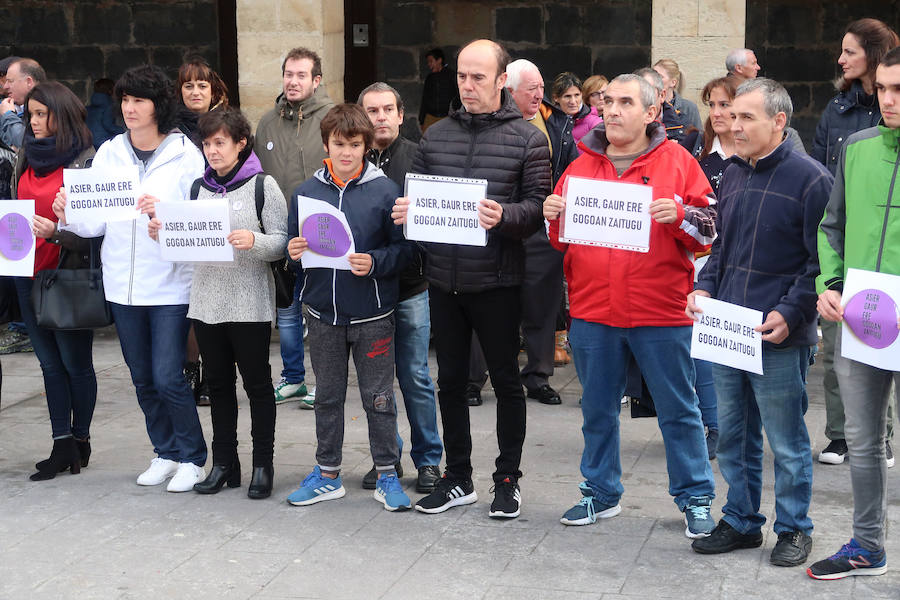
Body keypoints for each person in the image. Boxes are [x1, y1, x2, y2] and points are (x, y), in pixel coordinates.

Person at [543, 74, 717, 537]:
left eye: (624, 102)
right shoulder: (580, 166)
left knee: (679, 409)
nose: (612, 111)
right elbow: (562, 240)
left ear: (651, 112)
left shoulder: (678, 162)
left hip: (660, 311)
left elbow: (711, 228)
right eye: (607, 103)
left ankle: (695, 497)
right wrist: (552, 216)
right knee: (597, 409)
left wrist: (681, 216)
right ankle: (600, 492)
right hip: (593, 311)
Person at [393, 39, 551, 519]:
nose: (467, 85)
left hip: (498, 282)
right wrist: (407, 212)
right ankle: (457, 476)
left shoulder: (528, 138)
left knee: (505, 383)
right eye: (462, 76)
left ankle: (507, 479)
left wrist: (504, 215)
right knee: (451, 382)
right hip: (443, 281)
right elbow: (416, 200)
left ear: (502, 80)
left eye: (478, 77)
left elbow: (538, 210)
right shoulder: (436, 135)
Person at [688, 78, 832, 567]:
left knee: (787, 442)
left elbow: (821, 265)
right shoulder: (731, 174)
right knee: (733, 435)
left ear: (779, 122)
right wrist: (705, 288)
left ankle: (794, 528)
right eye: (731, 114)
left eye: (747, 116)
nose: (733, 124)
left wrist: (790, 313)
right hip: (728, 327)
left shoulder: (812, 180)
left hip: (778, 335)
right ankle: (742, 521)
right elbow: (723, 245)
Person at [53, 65, 207, 492]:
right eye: (125, 100)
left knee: (167, 375)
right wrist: (70, 211)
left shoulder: (185, 154)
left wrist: (166, 214)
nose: (129, 108)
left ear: (159, 105)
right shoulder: (109, 153)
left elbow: (199, 219)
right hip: (122, 283)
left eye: (139, 100)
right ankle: (165, 452)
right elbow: (93, 227)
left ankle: (193, 456)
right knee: (141, 377)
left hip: (171, 283)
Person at [148, 107, 287, 499]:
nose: (212, 151)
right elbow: (188, 244)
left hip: (249, 303)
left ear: (241, 144)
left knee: (258, 386)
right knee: (219, 388)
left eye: (220, 143)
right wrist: (165, 234)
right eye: (206, 143)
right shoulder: (197, 188)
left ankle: (263, 463)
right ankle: (225, 463)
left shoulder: (263, 186)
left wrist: (254, 241)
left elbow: (283, 242)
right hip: (207, 303)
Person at [284, 103, 414, 511]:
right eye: (338, 144)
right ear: (326, 144)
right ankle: (327, 473)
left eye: (354, 145)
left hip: (374, 314)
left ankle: (388, 474)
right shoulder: (305, 193)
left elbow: (406, 252)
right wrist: (292, 252)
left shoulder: (386, 192)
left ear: (366, 146)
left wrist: (375, 262)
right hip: (323, 314)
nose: (346, 153)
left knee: (379, 397)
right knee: (326, 397)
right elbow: (293, 254)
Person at [807, 46, 900, 581]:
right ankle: (868, 545)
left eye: (897, 90)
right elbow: (831, 225)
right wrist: (832, 284)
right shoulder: (858, 147)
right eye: (881, 88)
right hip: (862, 320)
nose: (886, 99)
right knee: (863, 442)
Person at [8, 81, 96, 481]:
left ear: (60, 114)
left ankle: (80, 438)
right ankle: (62, 443)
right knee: (48, 364)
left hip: (67, 273)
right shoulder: (24, 156)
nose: (34, 122)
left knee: (75, 365)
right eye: (31, 115)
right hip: (27, 272)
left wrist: (57, 231)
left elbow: (97, 232)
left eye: (42, 114)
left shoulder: (85, 161)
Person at [358, 81, 443, 493]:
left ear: (400, 112)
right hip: (367, 291)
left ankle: (429, 461)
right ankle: (385, 459)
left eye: (387, 109)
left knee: (415, 376)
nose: (381, 117)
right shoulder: (351, 160)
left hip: (411, 286)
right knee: (376, 383)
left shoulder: (419, 157)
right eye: (372, 111)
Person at [256, 47, 335, 408]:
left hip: (321, 231)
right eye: (289, 73)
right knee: (286, 314)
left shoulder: (332, 118)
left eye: (302, 75)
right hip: (280, 233)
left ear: (316, 81)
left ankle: (325, 381)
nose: (293, 81)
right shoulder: (267, 123)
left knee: (321, 315)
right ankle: (292, 379)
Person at [502, 58, 577, 405]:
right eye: (532, 89)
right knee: (490, 304)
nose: (540, 95)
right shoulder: (490, 122)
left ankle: (537, 375)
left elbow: (572, 170)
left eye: (542, 88)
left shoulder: (557, 123)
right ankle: (475, 377)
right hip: (499, 225)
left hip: (542, 227)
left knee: (543, 305)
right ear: (510, 90)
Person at [175, 56, 232, 407]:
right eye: (188, 85)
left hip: (216, 219)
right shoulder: (167, 128)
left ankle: (214, 372)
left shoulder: (226, 124)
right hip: (180, 224)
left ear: (213, 90)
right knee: (188, 306)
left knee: (214, 306)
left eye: (202, 85)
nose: (195, 91)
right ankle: (189, 369)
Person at [1, 58, 46, 149]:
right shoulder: (6, 106)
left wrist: (8, 115)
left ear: (28, 82)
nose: (5, 86)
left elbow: (26, 142)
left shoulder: (52, 105)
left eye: (10, 81)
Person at [551, 71, 602, 144]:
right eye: (567, 96)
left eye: (577, 95)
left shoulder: (595, 123)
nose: (573, 101)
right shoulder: (548, 121)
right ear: (556, 98)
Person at [653, 59, 703, 130]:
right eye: (653, 75)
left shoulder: (689, 108)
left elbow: (698, 137)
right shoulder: (647, 104)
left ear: (673, 82)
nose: (654, 80)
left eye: (659, 77)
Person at [418, 48, 456, 133]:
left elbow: (457, 97)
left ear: (439, 60)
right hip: (430, 117)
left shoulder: (452, 76)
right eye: (428, 62)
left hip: (447, 117)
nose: (429, 65)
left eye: (431, 61)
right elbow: (425, 98)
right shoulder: (430, 78)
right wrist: (422, 119)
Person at [86, 78, 123, 150]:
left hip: (90, 141)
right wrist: (122, 131)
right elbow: (108, 124)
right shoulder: (109, 106)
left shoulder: (89, 107)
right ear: (110, 91)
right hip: (104, 141)